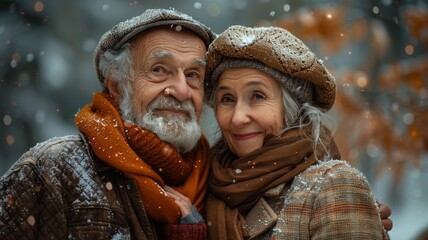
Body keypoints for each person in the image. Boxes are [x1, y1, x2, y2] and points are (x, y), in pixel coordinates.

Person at [0, 8, 216, 239]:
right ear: (117, 84)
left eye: (193, 74)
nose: (182, 91)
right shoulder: (51, 169)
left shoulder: (221, 183)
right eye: (159, 70)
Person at [203, 25, 391, 239]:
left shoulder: (332, 187)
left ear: (291, 108)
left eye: (257, 96)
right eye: (227, 99)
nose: (238, 118)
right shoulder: (206, 186)